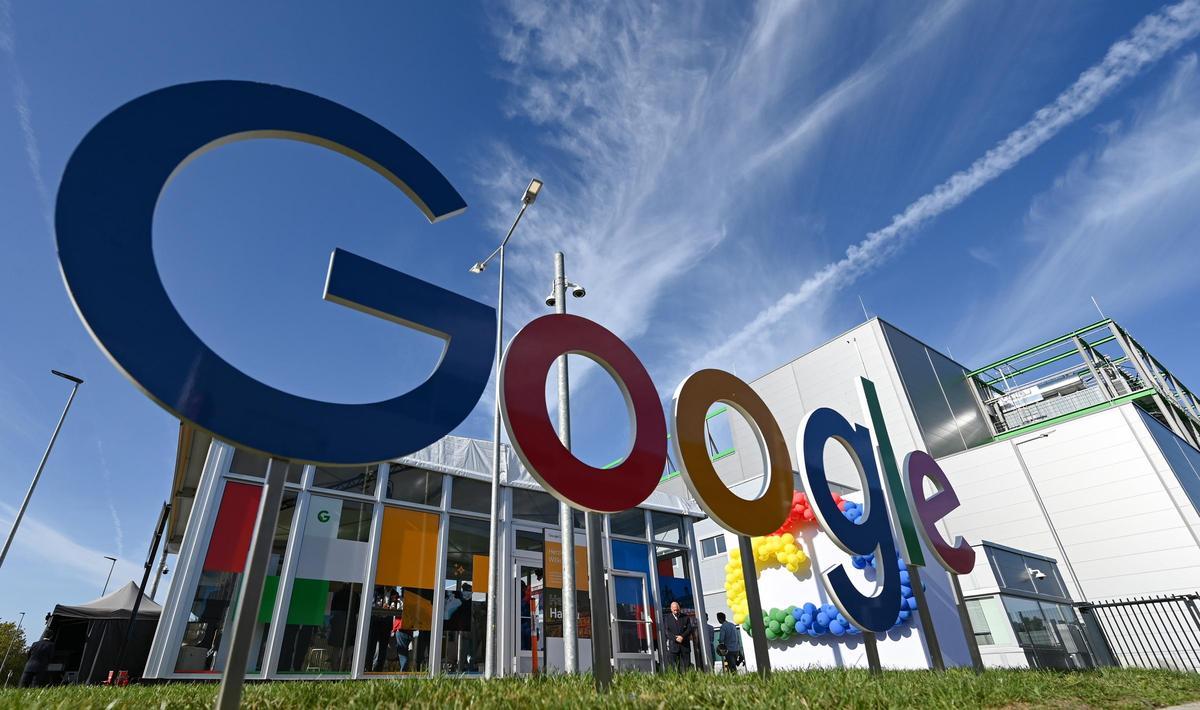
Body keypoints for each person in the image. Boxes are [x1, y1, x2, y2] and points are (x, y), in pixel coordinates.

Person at [662, 601, 694, 672]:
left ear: (679, 609)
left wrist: (682, 637)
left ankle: (688, 677)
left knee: (687, 666)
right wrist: (675, 638)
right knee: (675, 667)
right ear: (671, 609)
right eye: (674, 610)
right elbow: (666, 631)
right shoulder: (667, 618)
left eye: (677, 610)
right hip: (674, 646)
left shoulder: (685, 617)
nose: (676, 612)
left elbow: (689, 629)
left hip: (684, 645)